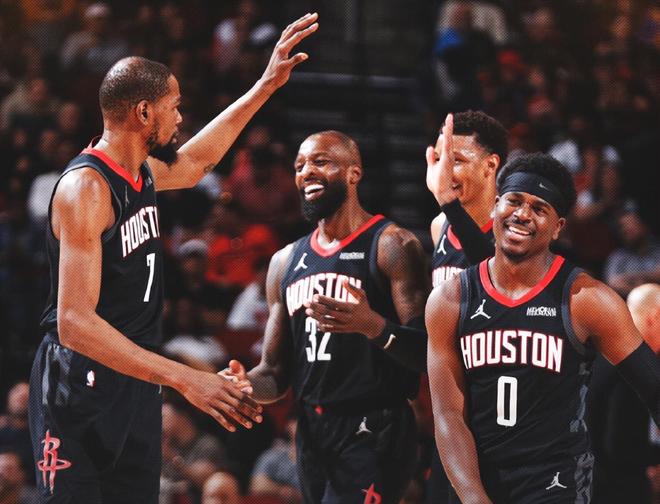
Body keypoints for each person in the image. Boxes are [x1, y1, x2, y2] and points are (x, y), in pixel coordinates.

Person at [27, 13, 319, 504]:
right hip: (79, 384)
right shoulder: (87, 189)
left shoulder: (140, 172)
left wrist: (265, 85)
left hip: (135, 379)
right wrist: (187, 379)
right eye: (174, 106)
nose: (181, 117)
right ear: (144, 112)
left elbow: (198, 162)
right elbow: (73, 322)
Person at [426, 152, 660, 503]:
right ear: (495, 207)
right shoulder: (450, 299)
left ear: (558, 227)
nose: (522, 214)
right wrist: (473, 496)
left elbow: (654, 387)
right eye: (514, 201)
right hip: (477, 479)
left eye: (539, 208)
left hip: (556, 483)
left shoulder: (587, 300)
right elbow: (448, 415)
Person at [224, 130, 430, 503]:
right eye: (300, 166)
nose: (306, 172)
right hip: (312, 430)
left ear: (354, 173)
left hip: (376, 424)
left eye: (321, 162)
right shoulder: (284, 262)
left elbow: (426, 353)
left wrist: (372, 326)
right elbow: (275, 374)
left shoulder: (393, 246)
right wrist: (245, 386)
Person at [424, 111, 507, 503]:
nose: (445, 171)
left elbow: (499, 280)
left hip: (503, 409)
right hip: (452, 407)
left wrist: (447, 203)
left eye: (457, 160)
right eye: (441, 159)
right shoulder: (439, 228)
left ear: (491, 165)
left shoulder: (515, 227)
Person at [590, 283, 660, 503]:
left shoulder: (603, 351)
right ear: (655, 317)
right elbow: (619, 448)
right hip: (614, 490)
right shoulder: (632, 364)